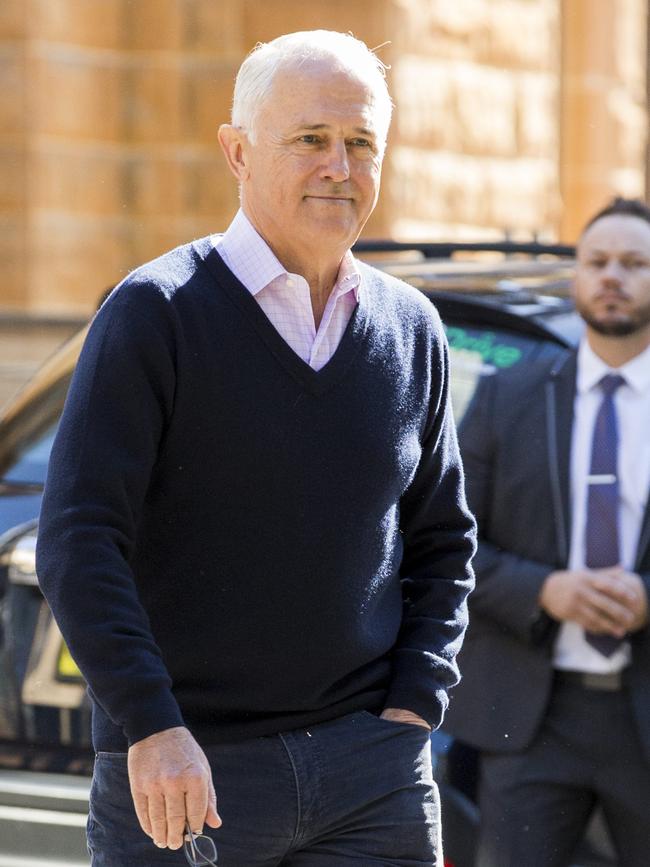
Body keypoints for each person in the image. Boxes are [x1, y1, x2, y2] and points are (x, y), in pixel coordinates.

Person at [36, 30, 476, 867]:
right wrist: (151, 723)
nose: (338, 167)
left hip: (371, 777)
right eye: (310, 139)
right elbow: (79, 538)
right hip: (189, 773)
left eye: (360, 144)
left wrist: (418, 701)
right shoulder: (155, 313)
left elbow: (442, 538)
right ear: (236, 153)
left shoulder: (412, 328)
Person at [444, 196, 650, 867]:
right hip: (533, 717)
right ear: (577, 277)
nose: (612, 276)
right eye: (597, 262)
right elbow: (453, 536)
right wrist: (545, 591)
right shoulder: (510, 395)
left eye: (633, 262)